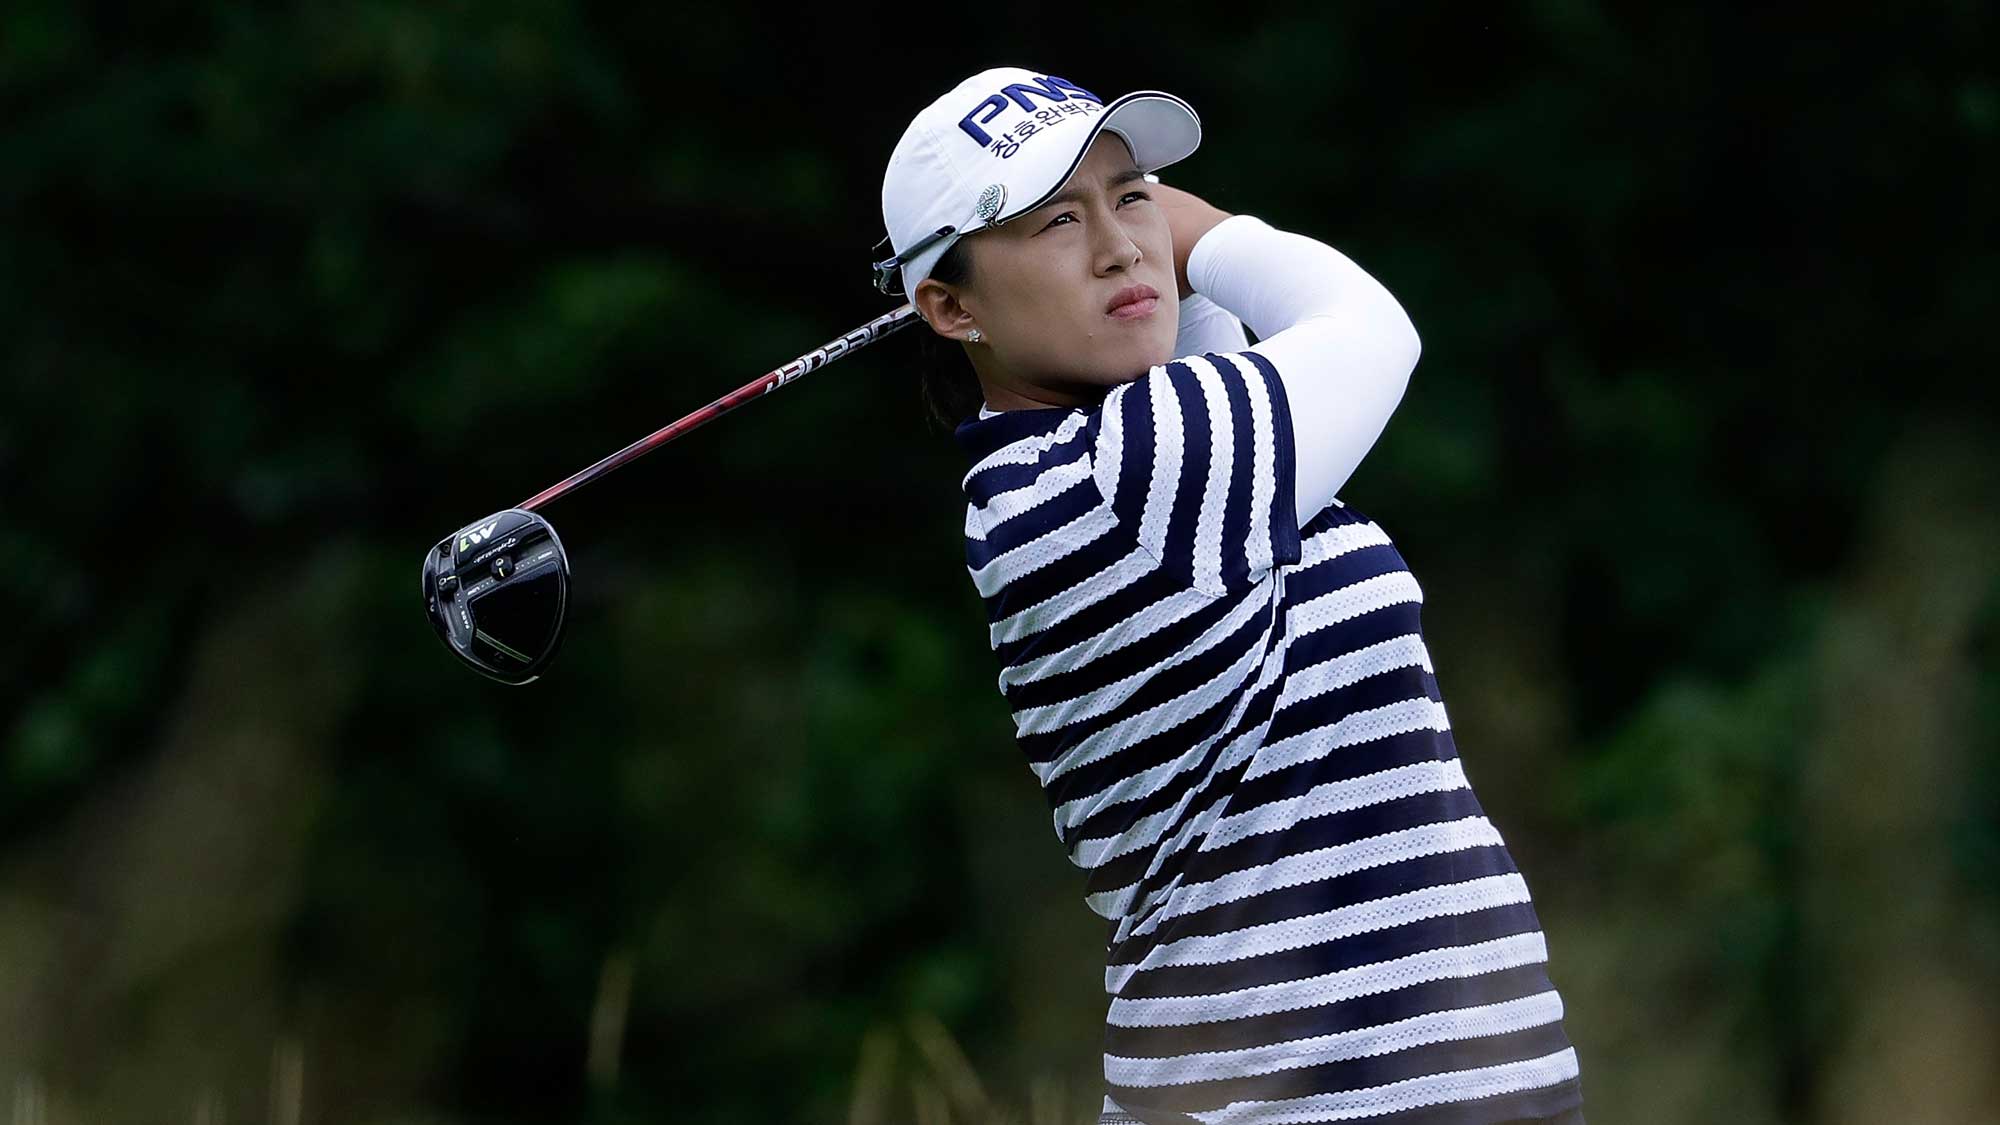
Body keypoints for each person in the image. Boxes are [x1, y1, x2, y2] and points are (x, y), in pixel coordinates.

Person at [873, 66, 1585, 1125]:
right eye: (1056, 221)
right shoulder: (1117, 478)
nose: (1118, 243)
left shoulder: (1133, 457)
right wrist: (1204, 236)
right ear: (947, 305)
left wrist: (1159, 259)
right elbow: (1372, 328)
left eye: (1130, 195)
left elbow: (1206, 345)